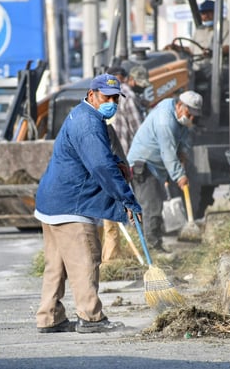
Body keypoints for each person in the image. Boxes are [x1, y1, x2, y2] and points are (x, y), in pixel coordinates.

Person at [34, 73, 142, 334]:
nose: (112, 103)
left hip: (52, 202)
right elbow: (101, 166)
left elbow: (101, 160)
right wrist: (128, 200)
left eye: (116, 98)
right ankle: (91, 317)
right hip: (72, 205)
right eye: (107, 97)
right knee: (85, 260)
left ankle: (50, 317)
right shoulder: (89, 124)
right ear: (92, 95)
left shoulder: (85, 116)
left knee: (56, 265)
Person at [127, 90, 203, 252]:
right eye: (189, 114)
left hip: (155, 167)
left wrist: (183, 152)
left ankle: (152, 244)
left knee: (157, 204)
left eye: (194, 116)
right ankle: (152, 249)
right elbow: (167, 152)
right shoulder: (165, 121)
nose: (191, 119)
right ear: (180, 105)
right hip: (144, 165)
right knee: (151, 207)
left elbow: (181, 138)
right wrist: (179, 175)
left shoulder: (176, 114)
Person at [100, 66, 146, 263]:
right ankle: (111, 260)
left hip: (116, 160)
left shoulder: (107, 109)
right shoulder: (127, 95)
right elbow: (138, 128)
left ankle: (109, 257)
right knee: (112, 212)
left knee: (108, 215)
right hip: (116, 162)